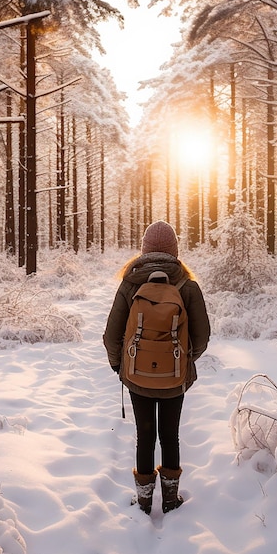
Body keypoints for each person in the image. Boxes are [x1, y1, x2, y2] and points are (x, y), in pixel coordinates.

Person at [103, 221, 211, 515]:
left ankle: (144, 502)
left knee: (145, 436)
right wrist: (183, 365)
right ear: (175, 250)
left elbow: (111, 335)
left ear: (144, 250)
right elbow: (202, 337)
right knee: (170, 435)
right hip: (174, 379)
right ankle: (171, 501)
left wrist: (121, 366)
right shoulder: (187, 286)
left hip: (137, 377)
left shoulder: (130, 283)